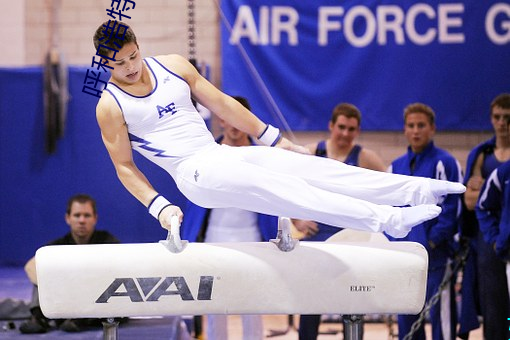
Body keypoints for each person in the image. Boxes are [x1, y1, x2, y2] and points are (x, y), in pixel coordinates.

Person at [93, 20, 464, 247]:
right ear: (105, 63)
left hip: (220, 156)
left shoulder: (172, 66)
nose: (129, 67)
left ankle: (413, 189)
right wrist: (160, 207)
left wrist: (274, 138)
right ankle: (387, 220)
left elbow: (223, 103)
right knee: (288, 191)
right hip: (193, 174)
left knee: (312, 169)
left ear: (139, 47)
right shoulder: (110, 106)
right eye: (119, 63)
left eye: (133, 56)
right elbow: (124, 167)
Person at [181, 96, 278, 340]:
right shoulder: (204, 154)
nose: (235, 126)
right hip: (214, 238)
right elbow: (192, 198)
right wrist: (187, 238)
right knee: (215, 305)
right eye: (229, 119)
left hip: (254, 239)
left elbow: (275, 199)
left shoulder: (262, 159)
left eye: (240, 120)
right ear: (221, 120)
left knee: (253, 306)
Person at [296, 102, 386, 340]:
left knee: (354, 300)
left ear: (357, 131)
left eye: (351, 129)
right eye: (342, 127)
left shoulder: (366, 158)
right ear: (331, 126)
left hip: (351, 239)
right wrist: (297, 220)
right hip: (317, 235)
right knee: (310, 302)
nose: (346, 134)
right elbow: (285, 189)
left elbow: (389, 192)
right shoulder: (311, 152)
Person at [387, 103, 462, 340]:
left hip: (436, 257)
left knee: (442, 320)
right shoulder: (395, 167)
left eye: (421, 125)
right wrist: (395, 243)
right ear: (405, 130)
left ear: (432, 129)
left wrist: (432, 241)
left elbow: (452, 209)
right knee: (407, 321)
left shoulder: (445, 163)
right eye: (411, 126)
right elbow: (388, 209)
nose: (416, 131)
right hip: (405, 259)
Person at [19, 194, 120, 334]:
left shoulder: (108, 242)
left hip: (96, 301)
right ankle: (38, 318)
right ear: (68, 218)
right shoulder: (57, 246)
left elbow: (118, 270)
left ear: (95, 218)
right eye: (77, 215)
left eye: (87, 215)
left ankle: (80, 319)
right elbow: (30, 266)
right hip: (65, 298)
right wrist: (60, 283)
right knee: (42, 270)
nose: (82, 220)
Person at [460, 93, 510, 340]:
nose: (502, 123)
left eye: (507, 118)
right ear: (491, 119)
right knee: (493, 304)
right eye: (497, 117)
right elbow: (469, 202)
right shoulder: (482, 154)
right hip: (489, 238)